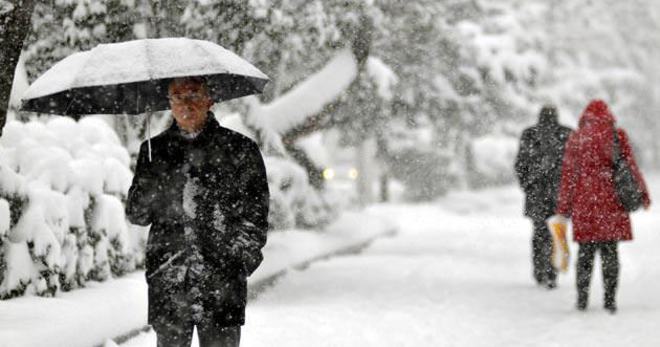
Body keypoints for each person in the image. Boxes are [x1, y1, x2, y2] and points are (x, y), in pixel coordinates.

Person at [126, 76, 270, 346]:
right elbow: (137, 214)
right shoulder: (153, 152)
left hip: (222, 282)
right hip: (169, 279)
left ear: (209, 99)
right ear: (169, 103)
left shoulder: (239, 150)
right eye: (177, 97)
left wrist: (238, 260)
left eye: (193, 95)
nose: (185, 104)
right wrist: (152, 181)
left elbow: (256, 215)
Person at [556, 99, 651, 313]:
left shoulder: (577, 138)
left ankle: (582, 299)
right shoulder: (617, 136)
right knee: (610, 252)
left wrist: (564, 207)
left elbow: (569, 176)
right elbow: (631, 167)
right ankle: (610, 300)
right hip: (611, 202)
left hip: (585, 203)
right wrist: (642, 194)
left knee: (585, 253)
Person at [514, 105, 572, 289]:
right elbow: (576, 166)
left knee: (539, 232)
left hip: (536, 193)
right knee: (557, 232)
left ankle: (539, 270)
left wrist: (528, 185)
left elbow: (520, 164)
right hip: (560, 194)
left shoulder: (529, 134)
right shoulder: (567, 134)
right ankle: (552, 271)